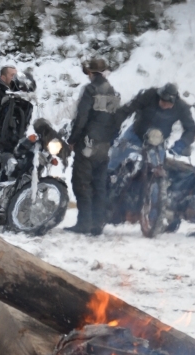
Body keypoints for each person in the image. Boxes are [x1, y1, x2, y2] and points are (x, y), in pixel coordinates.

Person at [65, 58, 120, 236]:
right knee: (99, 185)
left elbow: (81, 118)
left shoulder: (90, 90)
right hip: (104, 145)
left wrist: (72, 139)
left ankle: (84, 223)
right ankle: (97, 224)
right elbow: (116, 121)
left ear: (90, 73)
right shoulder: (112, 92)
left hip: (87, 143)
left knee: (82, 183)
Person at [109, 83, 195, 171]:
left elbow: (191, 129)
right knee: (115, 160)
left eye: (169, 104)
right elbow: (126, 110)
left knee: (156, 173)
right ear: (159, 97)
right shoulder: (149, 95)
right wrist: (115, 129)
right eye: (163, 102)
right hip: (136, 134)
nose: (165, 105)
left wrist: (182, 143)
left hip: (157, 144)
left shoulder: (181, 107)